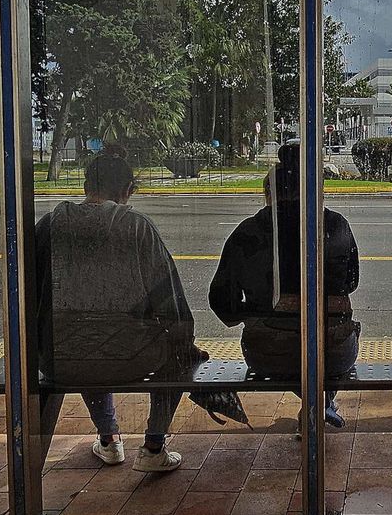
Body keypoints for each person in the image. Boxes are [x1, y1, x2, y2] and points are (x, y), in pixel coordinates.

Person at [33, 149, 203, 473]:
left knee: (84, 337)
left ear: (85, 186)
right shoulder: (137, 227)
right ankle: (154, 446)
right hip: (130, 357)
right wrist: (186, 344)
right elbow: (173, 305)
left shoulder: (51, 223)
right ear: (128, 191)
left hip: (60, 359)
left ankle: (109, 438)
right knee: (176, 353)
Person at [210, 144, 361, 428]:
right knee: (326, 343)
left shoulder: (247, 232)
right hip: (334, 352)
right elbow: (351, 283)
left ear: (270, 193)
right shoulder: (336, 224)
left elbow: (221, 303)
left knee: (290, 350)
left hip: (267, 353)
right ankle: (321, 404)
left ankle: (319, 405)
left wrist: (259, 312)